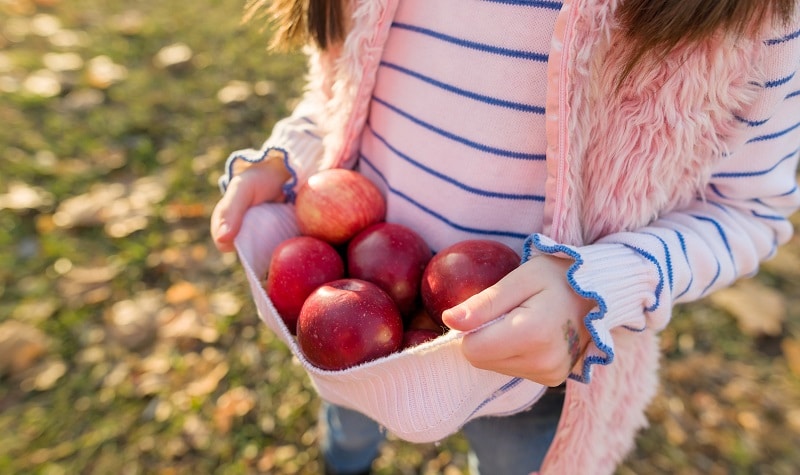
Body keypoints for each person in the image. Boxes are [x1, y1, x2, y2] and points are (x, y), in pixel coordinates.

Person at [211, 0, 800, 473]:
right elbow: (337, 94)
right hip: (353, 328)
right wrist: (286, 159)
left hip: (534, 366)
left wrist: (593, 289)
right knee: (348, 425)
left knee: (510, 461)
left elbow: (750, 210)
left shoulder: (751, 18)